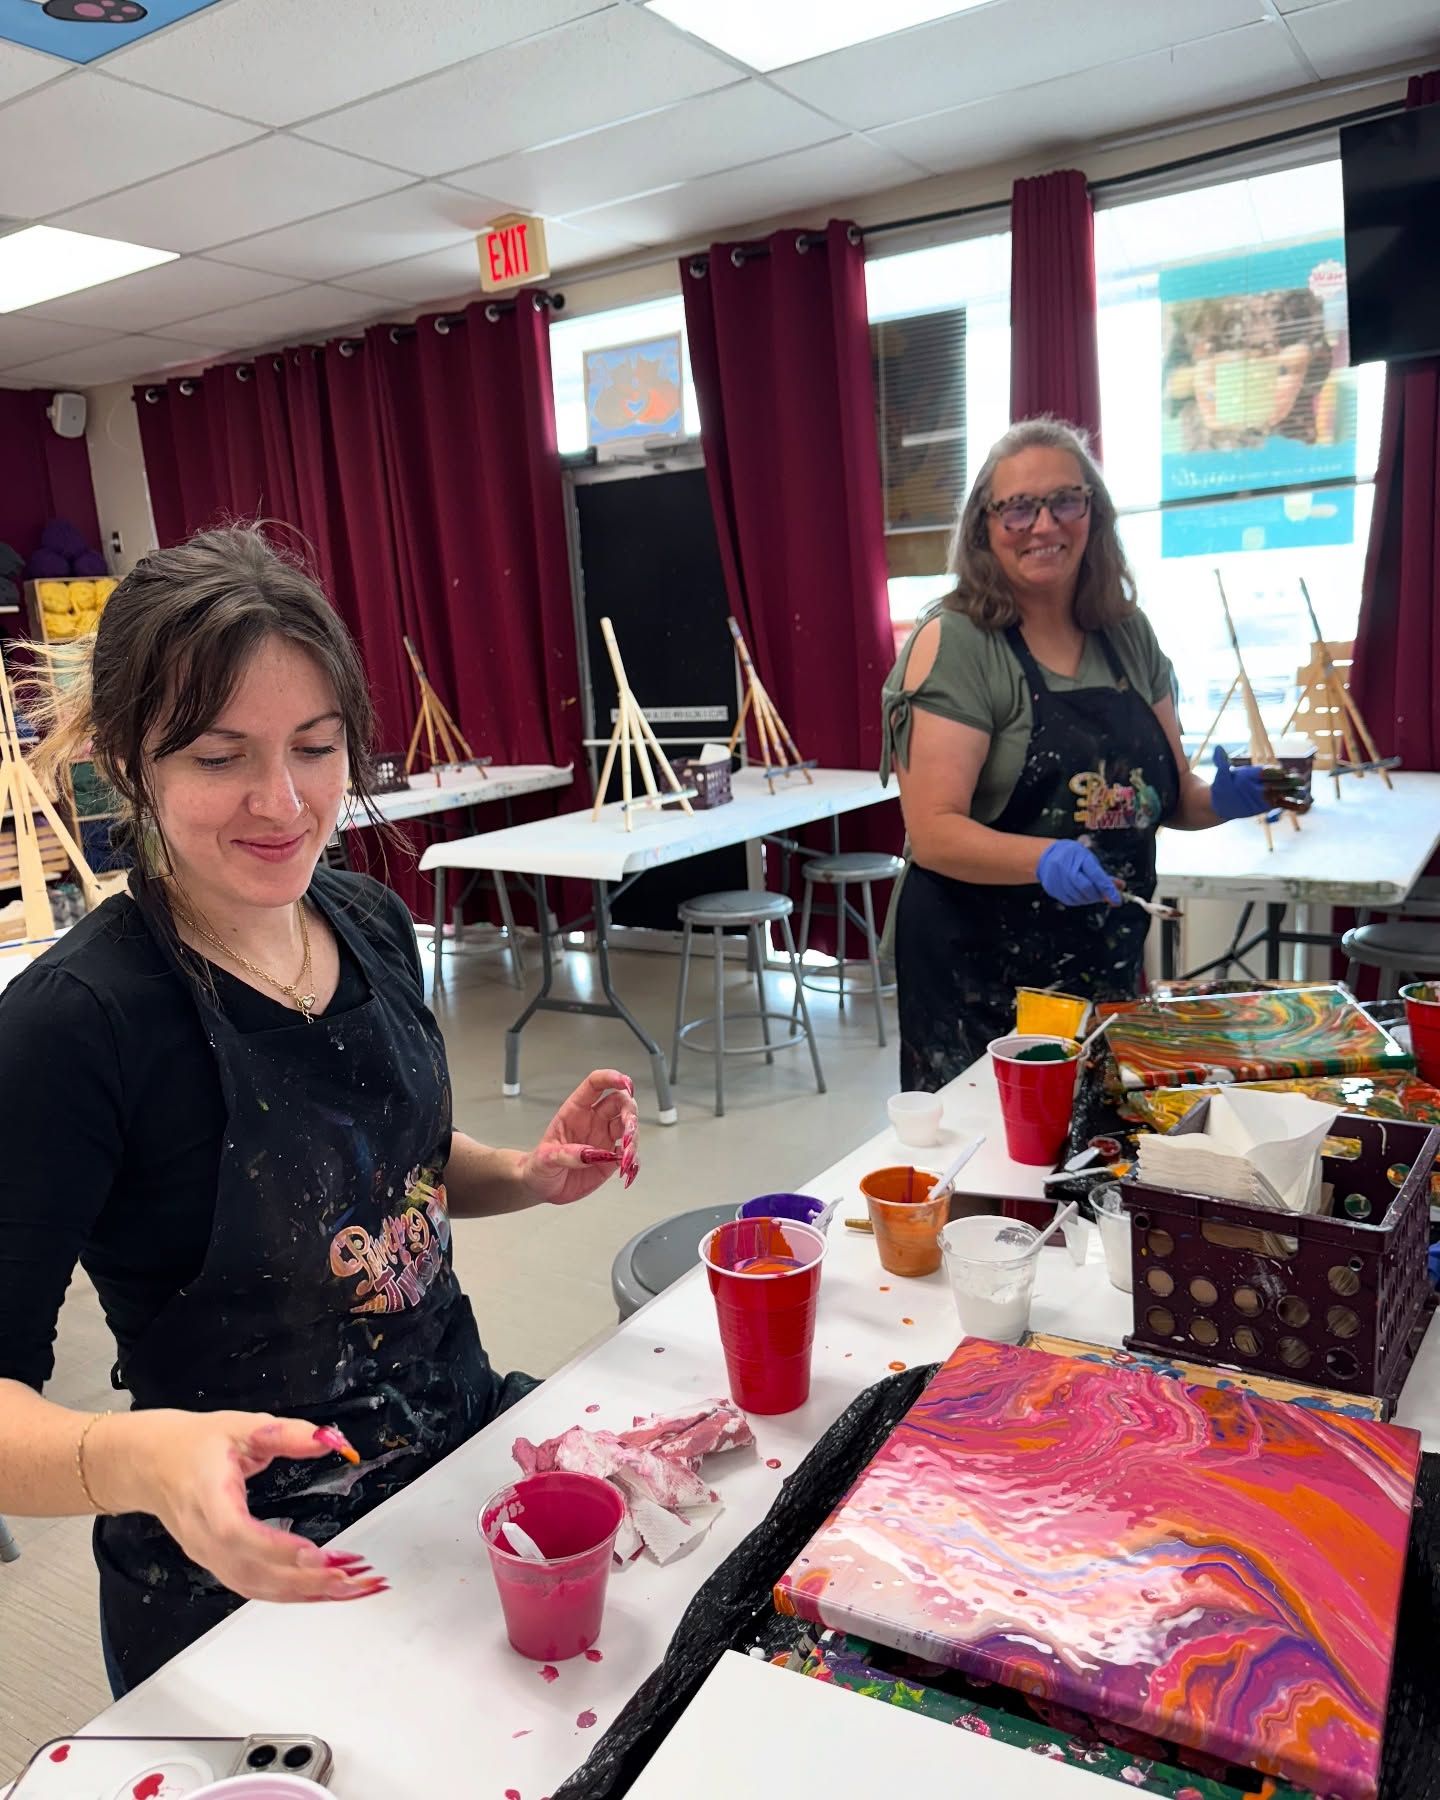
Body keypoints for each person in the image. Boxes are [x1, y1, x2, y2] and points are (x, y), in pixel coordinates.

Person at [0, 527, 640, 1695]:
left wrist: (523, 1171)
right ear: (129, 764)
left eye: (315, 746)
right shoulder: (76, 1024)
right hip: (246, 1564)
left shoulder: (365, 919)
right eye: (216, 755)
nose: (282, 801)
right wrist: (134, 1455)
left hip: (459, 1464)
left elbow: (392, 1167)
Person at [881, 417, 1304, 1092]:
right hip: (977, 969)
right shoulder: (957, 642)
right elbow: (932, 833)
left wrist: (1223, 799)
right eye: (1018, 507)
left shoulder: (1127, 636)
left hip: (1100, 954)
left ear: (1093, 514)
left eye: (1064, 501)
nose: (1044, 525)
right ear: (985, 526)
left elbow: (1170, 797)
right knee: (993, 1170)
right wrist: (1041, 857)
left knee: (1091, 1153)